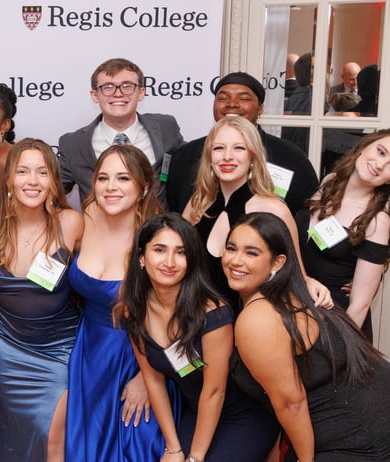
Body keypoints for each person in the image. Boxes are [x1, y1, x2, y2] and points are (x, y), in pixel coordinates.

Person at [227, 212, 390, 461]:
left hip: (370, 434)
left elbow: (292, 404)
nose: (236, 260)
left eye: (251, 253)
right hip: (389, 414)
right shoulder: (292, 293)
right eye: (231, 248)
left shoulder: (259, 318)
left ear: (277, 263)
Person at [122, 213, 278, 462]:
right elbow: (153, 380)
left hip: (244, 415)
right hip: (198, 413)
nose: (170, 262)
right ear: (142, 257)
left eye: (181, 252)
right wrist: (173, 448)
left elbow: (214, 391)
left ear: (191, 259)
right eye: (160, 250)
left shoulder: (212, 313)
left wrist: (194, 457)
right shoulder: (135, 309)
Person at [63, 144, 169, 461]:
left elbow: (175, 317)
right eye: (103, 178)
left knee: (136, 448)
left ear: (144, 186)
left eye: (123, 178)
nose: (111, 187)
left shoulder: (159, 239)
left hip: (138, 359)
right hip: (89, 355)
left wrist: (148, 378)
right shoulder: (90, 215)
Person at [0, 139, 83, 461]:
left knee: (52, 436)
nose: (33, 181)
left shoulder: (71, 223)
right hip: (7, 345)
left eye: (42, 172)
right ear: (9, 179)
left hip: (58, 348)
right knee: (15, 433)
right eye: (23, 171)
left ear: (54, 181)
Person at [182, 116, 331, 310]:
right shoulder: (197, 204)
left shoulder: (273, 208)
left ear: (252, 156)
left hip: (251, 324)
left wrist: (310, 283)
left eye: (239, 148)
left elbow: (296, 275)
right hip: (197, 321)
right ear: (209, 157)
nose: (227, 156)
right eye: (219, 148)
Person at [296, 130, 390, 341]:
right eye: (381, 152)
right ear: (365, 146)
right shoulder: (330, 182)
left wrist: (337, 350)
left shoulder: (376, 221)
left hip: (334, 323)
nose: (380, 165)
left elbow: (360, 305)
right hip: (296, 307)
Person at [166, 72, 319, 214]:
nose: (232, 104)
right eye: (223, 98)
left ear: (260, 108)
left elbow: (306, 214)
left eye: (244, 98)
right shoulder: (185, 155)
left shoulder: (290, 158)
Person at [58, 58, 184, 207]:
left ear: (141, 92)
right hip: (102, 229)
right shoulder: (74, 144)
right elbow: (51, 190)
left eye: (127, 86)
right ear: (94, 95)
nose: (118, 94)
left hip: (157, 227)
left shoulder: (166, 128)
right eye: (108, 87)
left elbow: (190, 171)